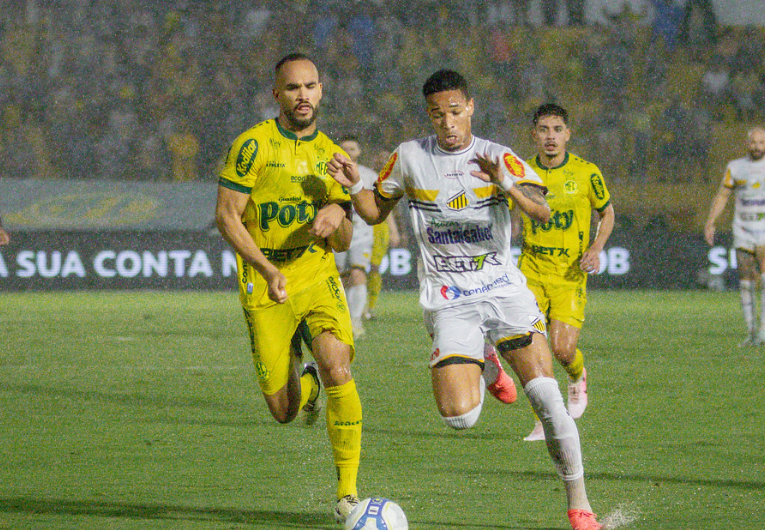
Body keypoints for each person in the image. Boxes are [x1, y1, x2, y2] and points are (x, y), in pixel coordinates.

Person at [328, 69, 602, 530]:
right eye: (438, 115)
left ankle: (580, 506)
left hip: (502, 290)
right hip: (449, 298)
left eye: (455, 112)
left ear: (470, 107)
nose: (448, 123)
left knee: (548, 399)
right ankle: (487, 362)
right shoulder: (410, 157)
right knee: (460, 418)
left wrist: (506, 184)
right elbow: (374, 212)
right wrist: (356, 184)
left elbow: (543, 208)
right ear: (429, 116)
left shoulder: (497, 155)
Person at [214, 53, 363, 524]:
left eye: (311, 86)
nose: (303, 95)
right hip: (265, 278)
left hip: (315, 272)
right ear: (276, 93)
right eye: (293, 87)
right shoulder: (252, 146)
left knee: (338, 365)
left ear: (321, 91)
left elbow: (342, 241)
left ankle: (348, 493)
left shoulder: (332, 155)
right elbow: (226, 217)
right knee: (283, 410)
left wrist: (341, 210)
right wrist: (264, 267)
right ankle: (305, 379)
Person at [516, 103, 615, 442]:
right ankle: (543, 420)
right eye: (544, 130)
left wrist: (596, 249)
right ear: (534, 134)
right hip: (531, 268)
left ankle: (577, 375)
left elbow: (607, 213)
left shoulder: (587, 173)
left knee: (562, 351)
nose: (550, 137)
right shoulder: (521, 171)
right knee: (530, 346)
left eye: (557, 130)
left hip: (569, 273)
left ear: (568, 134)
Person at [704, 127, 765, 346]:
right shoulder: (736, 167)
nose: (757, 147)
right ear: (747, 143)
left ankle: (764, 331)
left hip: (764, 228)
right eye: (753, 142)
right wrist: (711, 221)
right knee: (746, 280)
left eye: (761, 143)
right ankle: (751, 333)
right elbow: (723, 195)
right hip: (742, 228)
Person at [334, 135, 379, 338]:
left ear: (359, 152)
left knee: (358, 273)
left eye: (352, 148)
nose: (348, 152)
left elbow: (379, 204)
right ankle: (341, 318)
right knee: (339, 277)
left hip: (362, 235)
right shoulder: (331, 173)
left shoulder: (369, 176)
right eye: (344, 149)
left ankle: (355, 320)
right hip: (337, 234)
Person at [364, 148, 402, 321]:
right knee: (354, 268)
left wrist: (394, 230)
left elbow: (390, 209)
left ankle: (369, 307)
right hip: (362, 225)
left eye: (385, 158)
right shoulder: (365, 175)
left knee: (374, 267)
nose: (381, 160)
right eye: (378, 156)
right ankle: (355, 305)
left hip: (379, 227)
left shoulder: (393, 177)